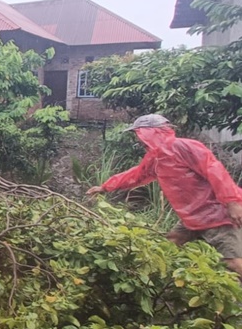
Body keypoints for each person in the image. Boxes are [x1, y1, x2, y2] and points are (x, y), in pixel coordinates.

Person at [87, 114, 242, 278]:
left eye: (138, 134)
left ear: (151, 132)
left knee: (233, 263)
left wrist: (232, 202)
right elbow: (136, 175)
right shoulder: (157, 157)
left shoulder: (184, 147)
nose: (138, 139)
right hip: (192, 217)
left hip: (217, 214)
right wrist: (104, 187)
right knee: (170, 246)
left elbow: (215, 171)